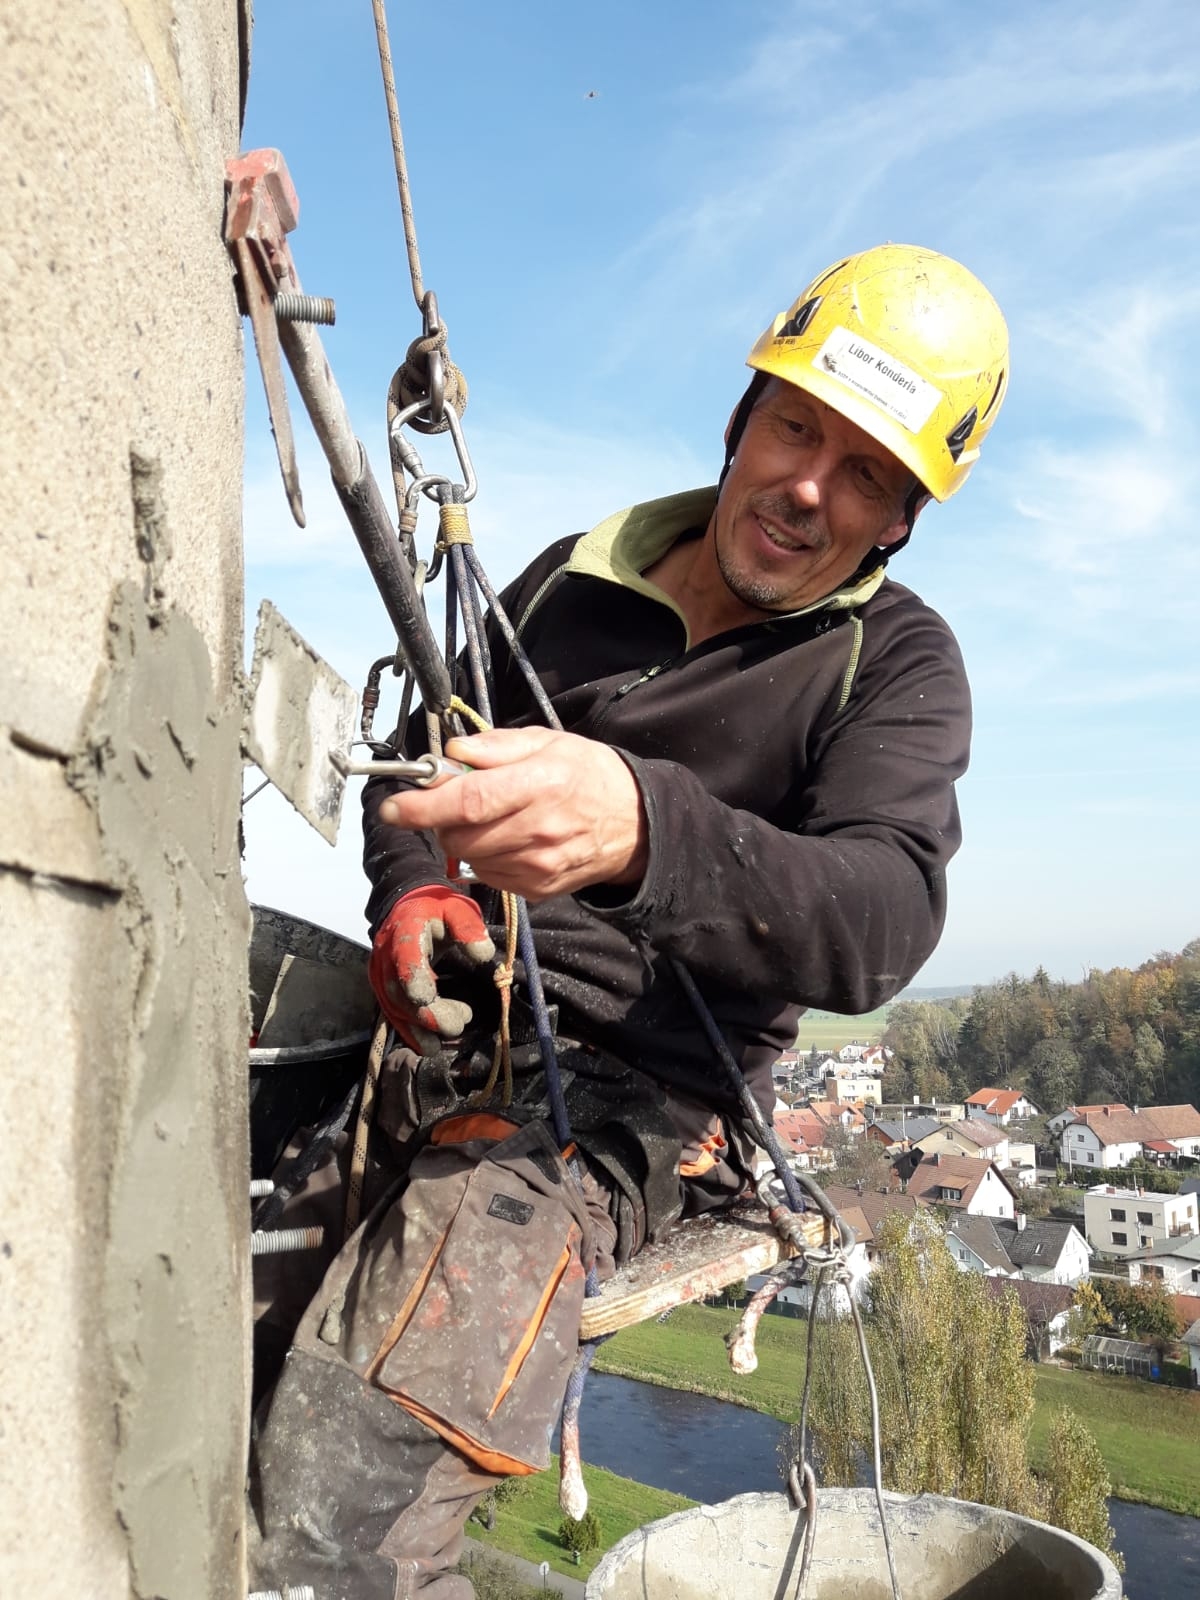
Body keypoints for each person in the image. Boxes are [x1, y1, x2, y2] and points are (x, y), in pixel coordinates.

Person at [248, 242, 1009, 1600]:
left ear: (900, 522)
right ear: (743, 417)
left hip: (635, 1111)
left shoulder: (890, 663)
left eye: (867, 476)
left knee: (344, 1501)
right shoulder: (567, 579)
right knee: (221, 1347)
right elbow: (430, 760)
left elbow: (878, 917)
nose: (806, 489)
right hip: (443, 1043)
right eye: (794, 429)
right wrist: (416, 887)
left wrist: (645, 829)